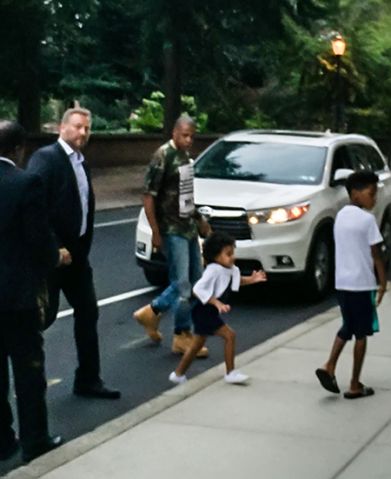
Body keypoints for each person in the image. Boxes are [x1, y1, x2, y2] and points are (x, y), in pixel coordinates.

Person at [27, 108, 120, 400]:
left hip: (77, 256)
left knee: (88, 312)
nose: (83, 133)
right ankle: (29, 382)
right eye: (78, 127)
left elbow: (83, 205)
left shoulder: (81, 161)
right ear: (61, 127)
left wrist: (80, 247)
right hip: (54, 257)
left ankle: (88, 379)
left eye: (87, 128)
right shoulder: (46, 159)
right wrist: (54, 247)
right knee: (42, 318)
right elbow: (34, 207)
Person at [0, 120, 63, 462]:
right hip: (17, 296)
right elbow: (39, 242)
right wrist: (56, 257)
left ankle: (2, 440)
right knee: (28, 370)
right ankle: (34, 439)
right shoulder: (26, 183)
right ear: (19, 149)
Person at [133, 116, 211, 357]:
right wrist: (156, 232)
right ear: (175, 132)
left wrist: (199, 221)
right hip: (171, 229)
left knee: (196, 283)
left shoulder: (187, 159)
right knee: (182, 284)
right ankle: (181, 335)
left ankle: (152, 312)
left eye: (192, 136)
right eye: (184, 135)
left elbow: (186, 196)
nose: (188, 140)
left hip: (187, 228)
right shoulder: (162, 156)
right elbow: (148, 196)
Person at [315, 170, 387, 399]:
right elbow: (376, 255)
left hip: (342, 283)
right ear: (356, 193)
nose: (374, 199)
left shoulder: (341, 216)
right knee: (362, 334)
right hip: (362, 284)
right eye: (371, 193)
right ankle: (355, 384)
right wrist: (383, 283)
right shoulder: (367, 220)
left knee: (347, 326)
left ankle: (329, 366)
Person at [169, 231, 267, 385]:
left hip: (207, 311)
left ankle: (178, 374)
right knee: (230, 335)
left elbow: (236, 281)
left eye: (232, 253)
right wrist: (216, 302)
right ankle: (230, 373)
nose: (232, 257)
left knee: (197, 345)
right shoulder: (213, 270)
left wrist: (253, 279)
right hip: (203, 311)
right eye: (228, 254)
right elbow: (198, 289)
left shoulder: (230, 269)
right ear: (215, 256)